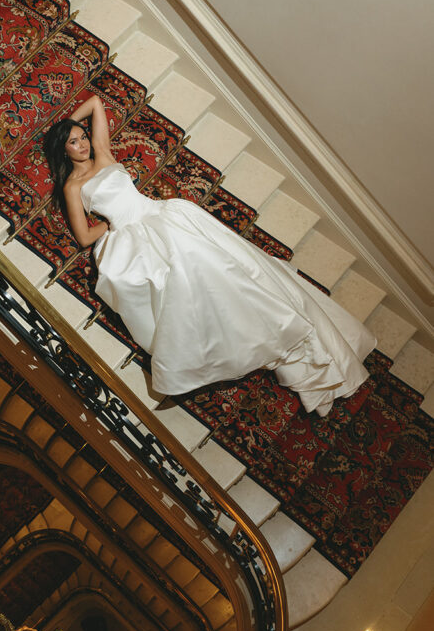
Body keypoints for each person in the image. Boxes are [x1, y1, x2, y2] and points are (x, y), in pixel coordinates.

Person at [43, 94, 377, 415]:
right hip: (131, 232)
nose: (83, 143)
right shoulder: (73, 186)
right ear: (63, 150)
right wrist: (115, 222)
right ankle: (194, 357)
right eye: (73, 141)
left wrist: (68, 124)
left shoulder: (102, 152)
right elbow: (85, 237)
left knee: (216, 263)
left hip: (163, 215)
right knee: (174, 279)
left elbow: (96, 103)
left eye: (82, 135)